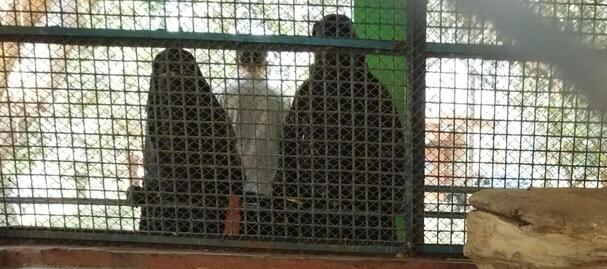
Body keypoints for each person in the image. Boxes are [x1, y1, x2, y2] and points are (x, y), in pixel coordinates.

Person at [273, 14, 407, 245]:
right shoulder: (374, 90)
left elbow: (291, 143)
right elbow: (395, 147)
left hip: (324, 199)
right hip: (365, 200)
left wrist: (289, 187)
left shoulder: (311, 90)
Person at [138, 48, 244, 238]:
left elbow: (231, 171)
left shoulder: (212, 118)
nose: (171, 79)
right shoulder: (156, 120)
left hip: (206, 211)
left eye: (177, 72)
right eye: (164, 73)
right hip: (167, 214)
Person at [217, 47, 289, 238]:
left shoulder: (221, 94)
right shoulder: (278, 97)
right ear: (265, 63)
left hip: (229, 182)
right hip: (265, 181)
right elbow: (286, 139)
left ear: (236, 61)